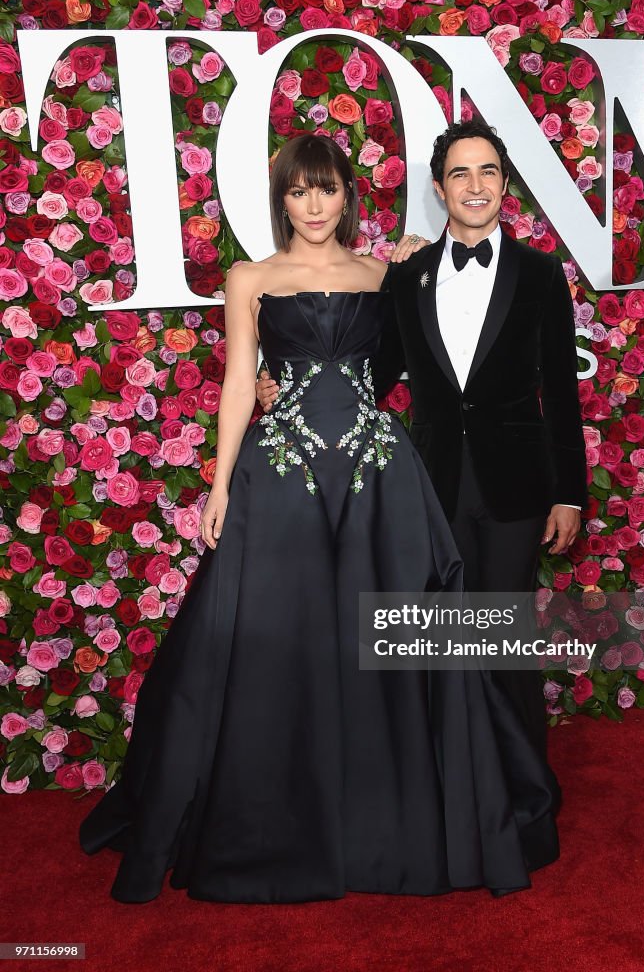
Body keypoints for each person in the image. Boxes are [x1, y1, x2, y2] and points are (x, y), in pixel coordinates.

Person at [79, 133, 561, 905]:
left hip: (378, 480)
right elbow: (240, 383)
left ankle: (395, 812)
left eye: (327, 189)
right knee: (276, 639)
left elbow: (433, 368)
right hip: (279, 476)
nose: (313, 205)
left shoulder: (388, 273)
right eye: (299, 192)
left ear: (346, 197)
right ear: (283, 201)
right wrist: (219, 485)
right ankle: (276, 813)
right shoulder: (250, 277)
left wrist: (415, 257)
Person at [258, 120, 588, 761]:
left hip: (516, 486)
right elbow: (367, 371)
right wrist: (285, 386)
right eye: (460, 173)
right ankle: (456, 787)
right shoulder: (406, 276)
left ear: (503, 185)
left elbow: (562, 395)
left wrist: (569, 494)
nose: (474, 185)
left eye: (487, 171)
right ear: (440, 189)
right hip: (430, 484)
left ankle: (522, 792)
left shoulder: (543, 275)